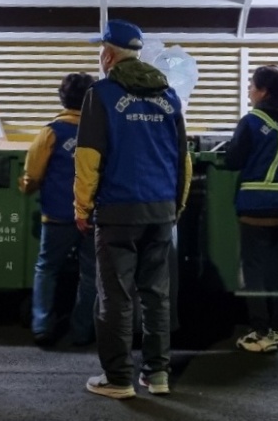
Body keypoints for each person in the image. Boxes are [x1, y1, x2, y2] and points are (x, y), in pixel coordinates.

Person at [75, 20, 191, 399]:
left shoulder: (102, 93)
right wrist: (176, 206)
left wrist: (82, 206)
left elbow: (89, 157)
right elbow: (183, 160)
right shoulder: (169, 97)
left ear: (108, 55)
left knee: (116, 295)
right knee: (157, 294)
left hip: (118, 210)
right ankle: (157, 375)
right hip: (161, 210)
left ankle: (119, 378)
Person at [223, 66, 278, 354]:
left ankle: (259, 331)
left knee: (255, 271)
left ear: (262, 91)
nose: (249, 90)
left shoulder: (251, 121)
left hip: (257, 207)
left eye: (251, 86)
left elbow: (233, 160)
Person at [21, 72, 97, 347]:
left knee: (47, 267)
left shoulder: (51, 131)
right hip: (93, 215)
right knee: (91, 274)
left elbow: (33, 172)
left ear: (62, 98)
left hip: (57, 215)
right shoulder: (102, 130)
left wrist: (26, 187)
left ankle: (42, 325)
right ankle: (81, 330)